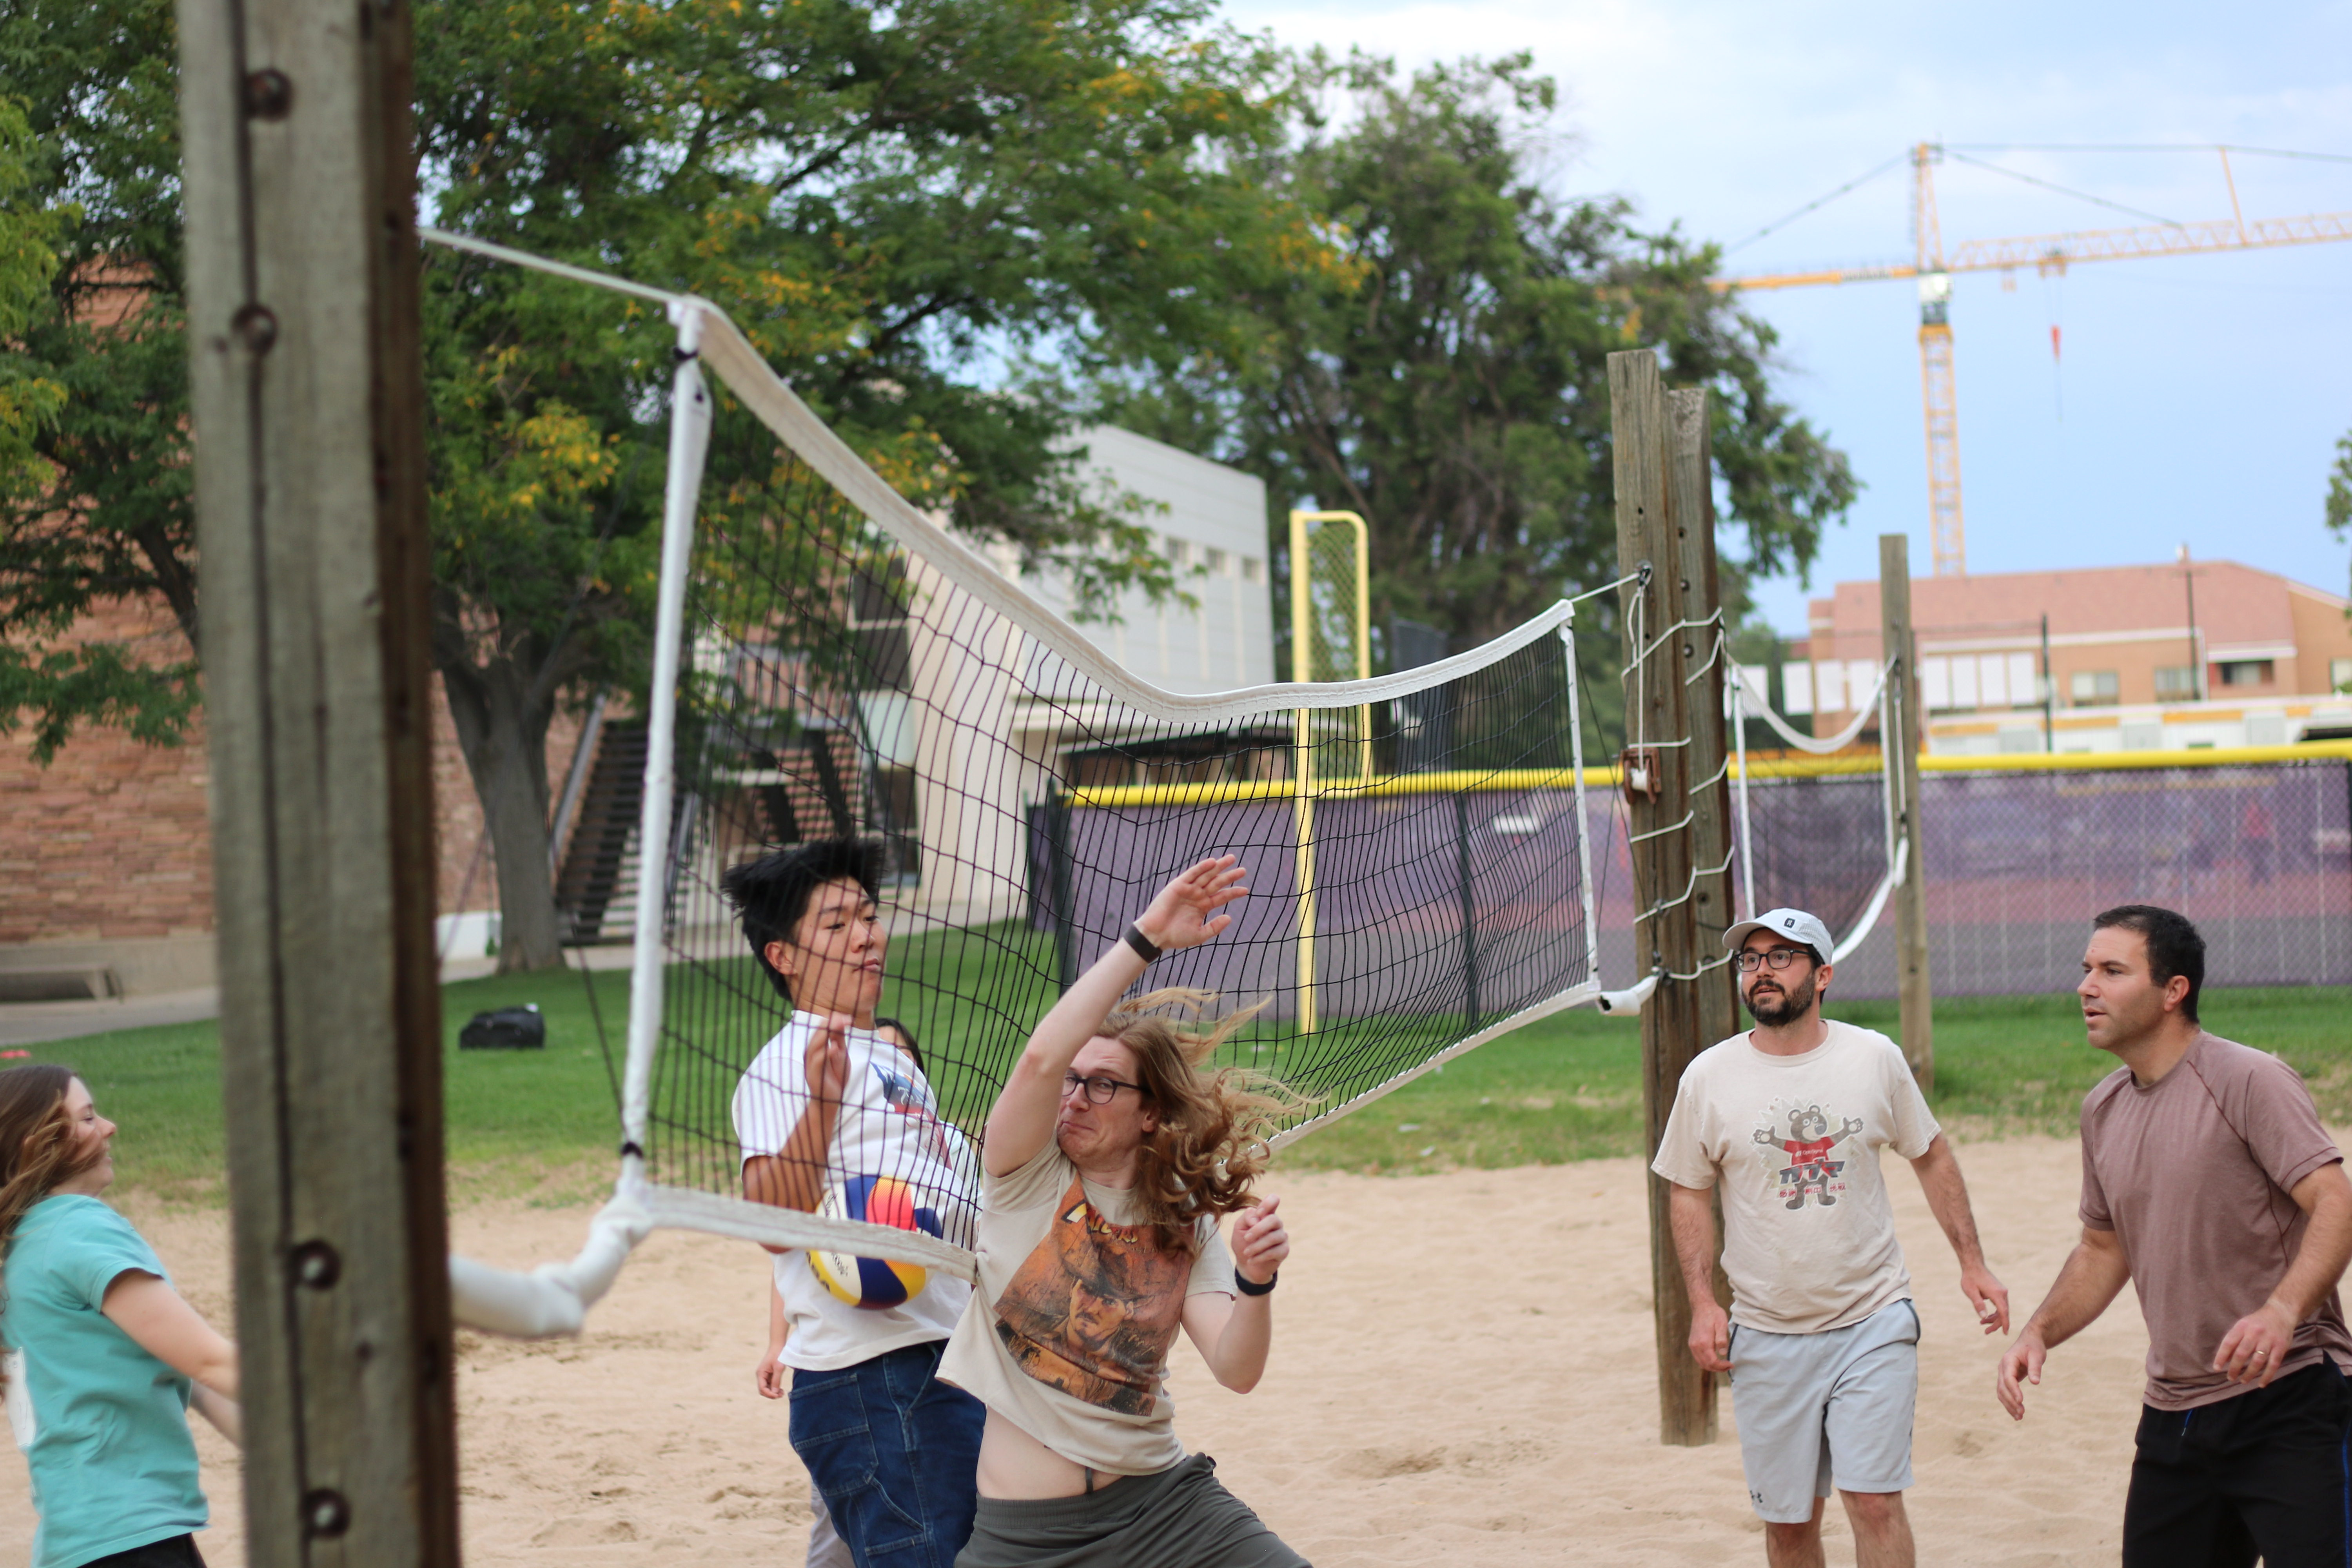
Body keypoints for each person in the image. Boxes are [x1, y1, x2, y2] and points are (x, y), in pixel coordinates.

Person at [938, 854, 1307, 1568]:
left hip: (1164, 1508)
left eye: (1103, 1085)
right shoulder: (1025, 1174)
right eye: (1074, 1081)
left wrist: (1256, 1282)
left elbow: (1236, 1369)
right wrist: (1147, 939)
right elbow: (1039, 1062)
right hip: (1026, 1537)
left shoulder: (1181, 1220)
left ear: (1149, 1115)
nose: (1074, 1098)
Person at [1995, 905, 2352, 1568]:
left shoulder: (2248, 1079)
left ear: (2173, 991)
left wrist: (2281, 1311)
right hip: (2175, 1414)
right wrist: (2039, 1332)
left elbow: (2336, 1201)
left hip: (2288, 1395)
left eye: (2111, 970)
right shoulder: (2102, 1108)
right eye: (2085, 970)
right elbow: (2104, 1249)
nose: (2086, 986)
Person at [1652, 908, 2007, 1568]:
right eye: (1750, 959)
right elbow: (1688, 1190)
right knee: (1789, 1527)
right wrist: (1704, 1303)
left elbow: (1930, 1155)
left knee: (1873, 1502)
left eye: (1781, 957)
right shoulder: (1709, 1076)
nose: (1761, 970)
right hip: (1765, 1332)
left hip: (1871, 1319)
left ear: (1823, 976)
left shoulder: (1873, 1058)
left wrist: (1972, 1262)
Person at [725, 842, 984, 1568]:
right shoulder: (785, 1065)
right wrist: (822, 1102)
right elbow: (772, 1223)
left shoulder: (894, 1058)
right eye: (837, 924)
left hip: (943, 1359)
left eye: (869, 916)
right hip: (873, 1379)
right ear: (784, 956)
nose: (867, 935)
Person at [0, 1064, 241, 1568]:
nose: (109, 1126)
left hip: (81, 1542)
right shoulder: (77, 1229)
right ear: (34, 1146)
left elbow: (194, 1377)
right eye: (87, 1118)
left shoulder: (21, 1252)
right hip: (133, 1542)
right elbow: (210, 1361)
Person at [752, 1016, 927, 1568]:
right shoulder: (843, 1164)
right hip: (843, 1367)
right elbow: (792, 1258)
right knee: (837, 1538)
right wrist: (776, 1342)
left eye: (899, 1065)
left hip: (934, 1360)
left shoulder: (924, 1153)